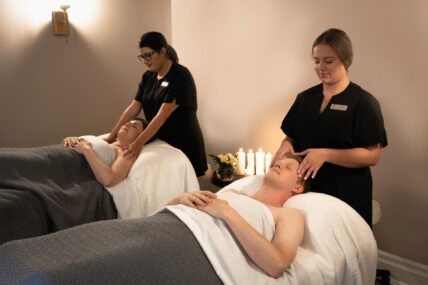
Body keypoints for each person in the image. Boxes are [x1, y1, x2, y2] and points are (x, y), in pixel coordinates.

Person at [0, 156, 307, 283]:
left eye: (289, 165)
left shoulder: (287, 214)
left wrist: (225, 212)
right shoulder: (236, 193)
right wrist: (180, 200)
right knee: (83, 244)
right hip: (160, 226)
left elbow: (277, 262)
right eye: (280, 159)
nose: (280, 161)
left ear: (298, 186)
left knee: (75, 270)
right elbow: (170, 210)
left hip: (194, 247)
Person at [272, 28, 388, 226]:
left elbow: (373, 155)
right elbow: (291, 136)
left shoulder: (364, 102)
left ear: (346, 59)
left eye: (328, 61)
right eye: (316, 61)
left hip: (346, 193)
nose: (320, 67)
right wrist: (286, 143)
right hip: (306, 190)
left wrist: (326, 154)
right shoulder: (305, 99)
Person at [105, 31, 208, 177]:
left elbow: (161, 116)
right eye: (141, 57)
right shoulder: (148, 76)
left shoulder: (180, 75)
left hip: (183, 143)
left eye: (148, 55)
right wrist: (111, 136)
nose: (145, 60)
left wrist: (137, 144)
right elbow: (133, 108)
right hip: (160, 142)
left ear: (162, 51)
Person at [63, 118, 147, 187]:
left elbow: (109, 180)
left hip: (67, 169)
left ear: (141, 137)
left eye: (134, 126)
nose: (127, 124)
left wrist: (87, 150)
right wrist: (69, 140)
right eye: (127, 122)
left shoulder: (126, 152)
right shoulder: (104, 141)